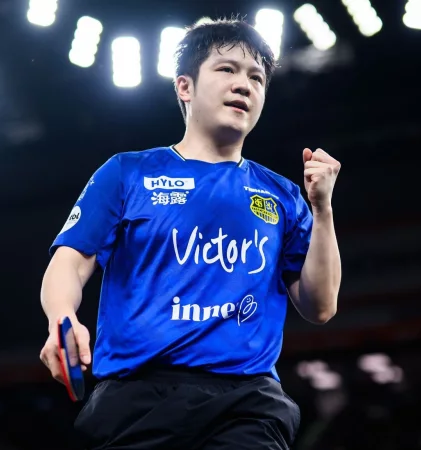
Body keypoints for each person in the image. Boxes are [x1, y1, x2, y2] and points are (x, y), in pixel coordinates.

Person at [39, 16, 342, 450]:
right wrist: (62, 317)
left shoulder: (284, 196)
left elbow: (321, 306)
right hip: (136, 398)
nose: (245, 85)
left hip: (246, 404)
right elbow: (68, 261)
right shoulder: (127, 173)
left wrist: (322, 209)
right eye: (227, 70)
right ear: (185, 87)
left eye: (257, 77)